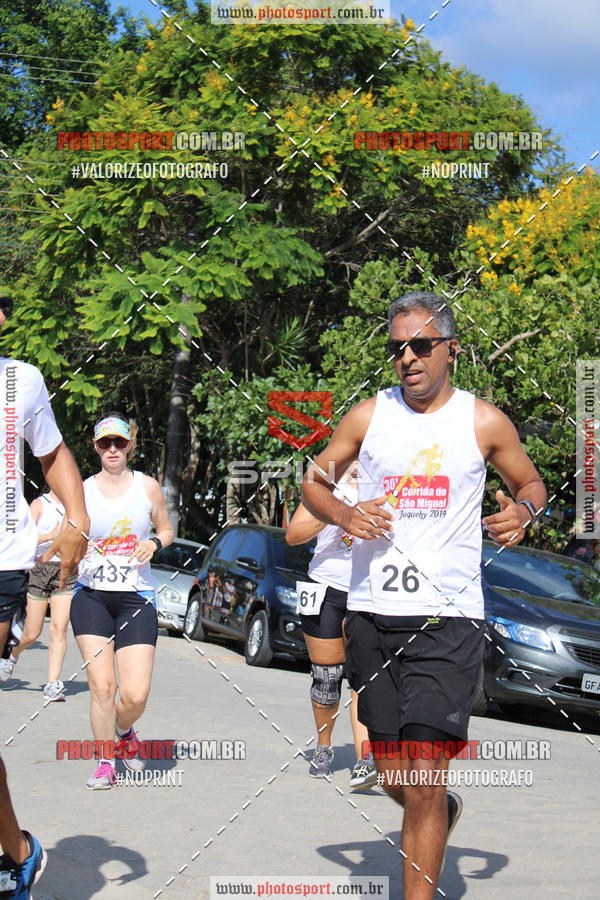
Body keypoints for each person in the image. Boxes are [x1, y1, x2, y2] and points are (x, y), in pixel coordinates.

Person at [302, 291, 546, 900]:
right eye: (397, 348)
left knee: (424, 774)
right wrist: (343, 510)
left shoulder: (483, 421)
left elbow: (532, 482)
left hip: (448, 619)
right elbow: (314, 480)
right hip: (371, 614)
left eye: (421, 345)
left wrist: (523, 511)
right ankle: (436, 809)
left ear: (451, 350)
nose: (407, 357)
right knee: (395, 773)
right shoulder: (368, 416)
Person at [0, 293, 89, 897]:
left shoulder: (19, 383)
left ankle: (19, 854)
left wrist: (78, 516)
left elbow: (52, 452)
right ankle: (18, 850)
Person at [70, 411, 173, 790]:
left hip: (136, 598)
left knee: (135, 694)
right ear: (95, 447)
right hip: (92, 596)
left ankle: (123, 728)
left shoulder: (147, 487)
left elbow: (167, 529)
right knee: (102, 688)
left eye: (119, 441)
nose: (112, 449)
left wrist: (154, 543)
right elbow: (70, 536)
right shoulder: (81, 490)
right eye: (104, 443)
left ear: (129, 444)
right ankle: (104, 762)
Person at [286, 466, 376, 789]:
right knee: (326, 679)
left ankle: (365, 759)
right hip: (324, 586)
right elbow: (293, 535)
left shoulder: (387, 477)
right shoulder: (326, 482)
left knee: (364, 679)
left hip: (368, 591)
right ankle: (323, 748)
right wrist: (335, 511)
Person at [0, 488, 77, 699]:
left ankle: (52, 684)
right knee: (32, 634)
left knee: (59, 629)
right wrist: (51, 536)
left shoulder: (76, 504)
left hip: (66, 570)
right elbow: (21, 541)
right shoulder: (38, 504)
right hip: (39, 569)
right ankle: (10, 655)